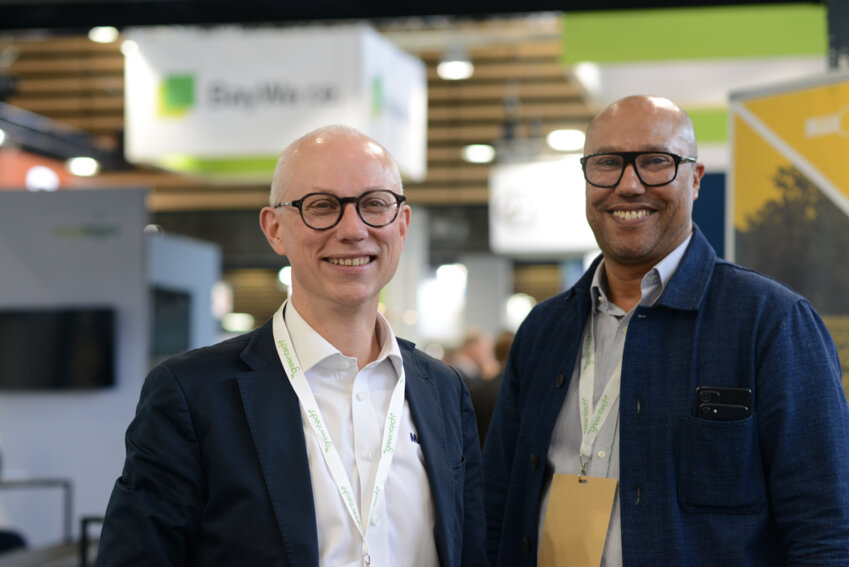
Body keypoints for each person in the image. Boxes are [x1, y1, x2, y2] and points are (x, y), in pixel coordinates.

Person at [96, 125, 487, 567]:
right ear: (275, 228)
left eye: (374, 204)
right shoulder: (193, 394)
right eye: (322, 207)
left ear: (402, 224)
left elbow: (472, 551)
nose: (353, 229)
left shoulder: (443, 391)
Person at [483, 95, 849, 566]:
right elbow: (498, 506)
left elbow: (826, 529)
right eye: (607, 163)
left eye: (657, 162)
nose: (628, 185)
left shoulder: (772, 323)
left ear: (695, 180)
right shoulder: (543, 331)